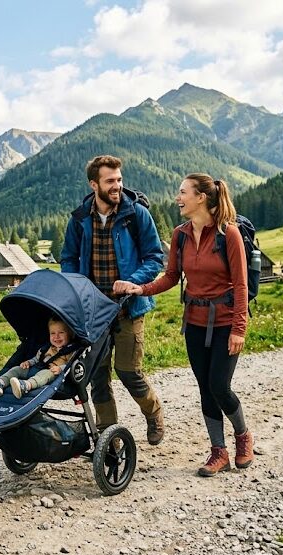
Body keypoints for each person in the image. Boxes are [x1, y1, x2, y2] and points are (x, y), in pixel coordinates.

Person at [113, 173, 254, 477]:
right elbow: (172, 276)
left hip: (226, 321)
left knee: (220, 386)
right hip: (194, 322)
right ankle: (219, 452)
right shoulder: (180, 234)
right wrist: (141, 289)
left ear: (201, 197)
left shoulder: (228, 234)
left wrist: (239, 328)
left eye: (182, 193)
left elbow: (241, 286)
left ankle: (242, 436)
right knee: (205, 388)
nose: (178, 198)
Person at [61, 155, 166, 445]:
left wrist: (133, 282)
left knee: (129, 371)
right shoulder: (80, 219)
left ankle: (153, 412)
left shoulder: (136, 215)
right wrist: (77, 286)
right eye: (110, 181)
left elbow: (155, 257)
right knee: (98, 377)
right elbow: (68, 258)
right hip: (93, 312)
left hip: (128, 308)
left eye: (119, 179)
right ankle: (109, 438)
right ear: (94, 184)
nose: (117, 185)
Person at [0, 317, 77, 399]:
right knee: (17, 369)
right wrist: (28, 363)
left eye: (61, 333)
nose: (56, 337)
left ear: (70, 334)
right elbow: (36, 359)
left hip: (51, 374)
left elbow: (72, 364)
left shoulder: (70, 351)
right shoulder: (46, 348)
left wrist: (60, 368)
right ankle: (0, 383)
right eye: (53, 333)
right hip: (36, 368)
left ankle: (26, 386)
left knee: (44, 374)